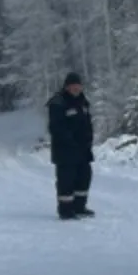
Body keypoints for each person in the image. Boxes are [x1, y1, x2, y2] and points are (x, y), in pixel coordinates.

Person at [46, 71, 94, 220]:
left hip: (83, 149)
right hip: (65, 151)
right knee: (66, 179)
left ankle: (79, 207)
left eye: (78, 85)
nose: (76, 88)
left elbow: (87, 123)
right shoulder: (58, 103)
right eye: (73, 86)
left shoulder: (83, 101)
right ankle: (65, 210)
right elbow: (56, 127)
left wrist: (88, 139)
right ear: (67, 87)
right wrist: (69, 140)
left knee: (84, 176)